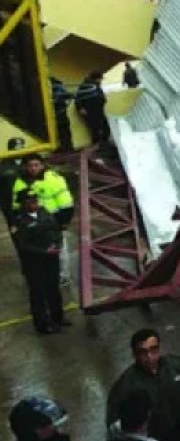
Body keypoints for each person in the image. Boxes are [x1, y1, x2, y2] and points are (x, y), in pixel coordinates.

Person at [106, 329, 180, 441]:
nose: (149, 356)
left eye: (153, 349)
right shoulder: (126, 385)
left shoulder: (176, 366)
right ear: (134, 354)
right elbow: (114, 425)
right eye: (143, 352)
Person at [11, 155, 74, 286]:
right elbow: (16, 205)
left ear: (42, 165)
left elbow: (66, 203)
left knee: (59, 249)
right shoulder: (20, 182)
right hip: (32, 223)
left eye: (36, 165)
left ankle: (63, 276)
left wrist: (63, 222)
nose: (33, 168)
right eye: (30, 166)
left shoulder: (54, 179)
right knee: (40, 251)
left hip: (53, 221)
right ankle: (47, 276)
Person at [11, 190, 67, 334]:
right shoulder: (20, 221)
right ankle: (43, 325)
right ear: (23, 204)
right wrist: (44, 251)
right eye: (30, 201)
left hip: (51, 259)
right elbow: (24, 245)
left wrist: (57, 244)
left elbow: (56, 229)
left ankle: (58, 318)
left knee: (53, 289)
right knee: (38, 294)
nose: (34, 204)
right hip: (35, 263)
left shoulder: (44, 212)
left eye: (35, 200)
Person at [74, 71, 109, 145]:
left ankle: (101, 144)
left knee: (101, 127)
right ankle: (99, 146)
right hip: (91, 111)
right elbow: (78, 99)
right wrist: (80, 108)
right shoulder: (86, 86)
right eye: (100, 79)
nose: (101, 80)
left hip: (96, 110)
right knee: (96, 129)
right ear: (97, 79)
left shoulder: (93, 85)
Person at [49, 78, 73, 150]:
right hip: (60, 113)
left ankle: (65, 146)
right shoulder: (57, 89)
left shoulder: (51, 90)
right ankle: (68, 146)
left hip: (56, 114)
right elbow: (68, 95)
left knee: (61, 131)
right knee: (64, 130)